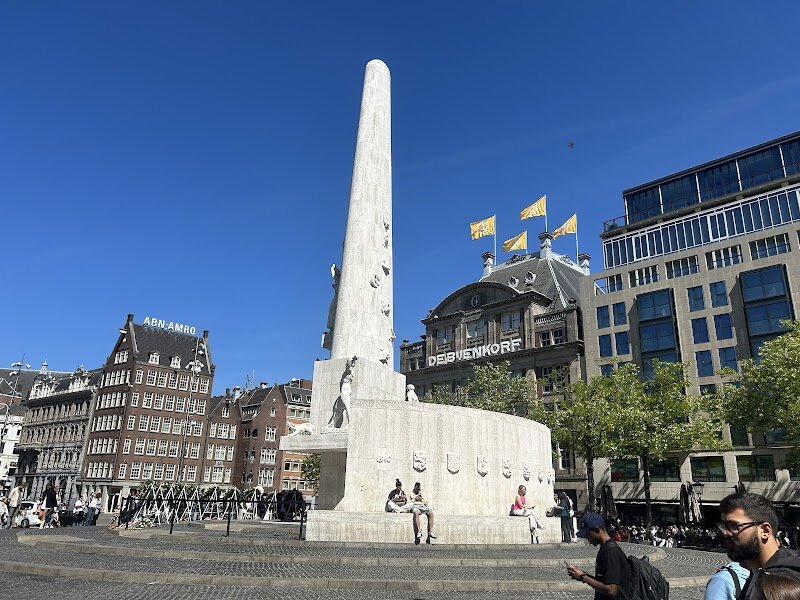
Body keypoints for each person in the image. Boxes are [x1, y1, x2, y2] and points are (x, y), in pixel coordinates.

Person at [719, 492, 800, 600]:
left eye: (734, 526)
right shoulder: (760, 572)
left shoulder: (783, 583)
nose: (726, 533)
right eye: (724, 526)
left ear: (765, 531)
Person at [566, 512, 633, 599]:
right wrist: (582, 574)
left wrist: (584, 577)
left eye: (587, 534)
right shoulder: (605, 549)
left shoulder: (611, 552)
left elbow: (611, 590)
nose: (586, 537)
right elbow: (604, 581)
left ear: (597, 530)